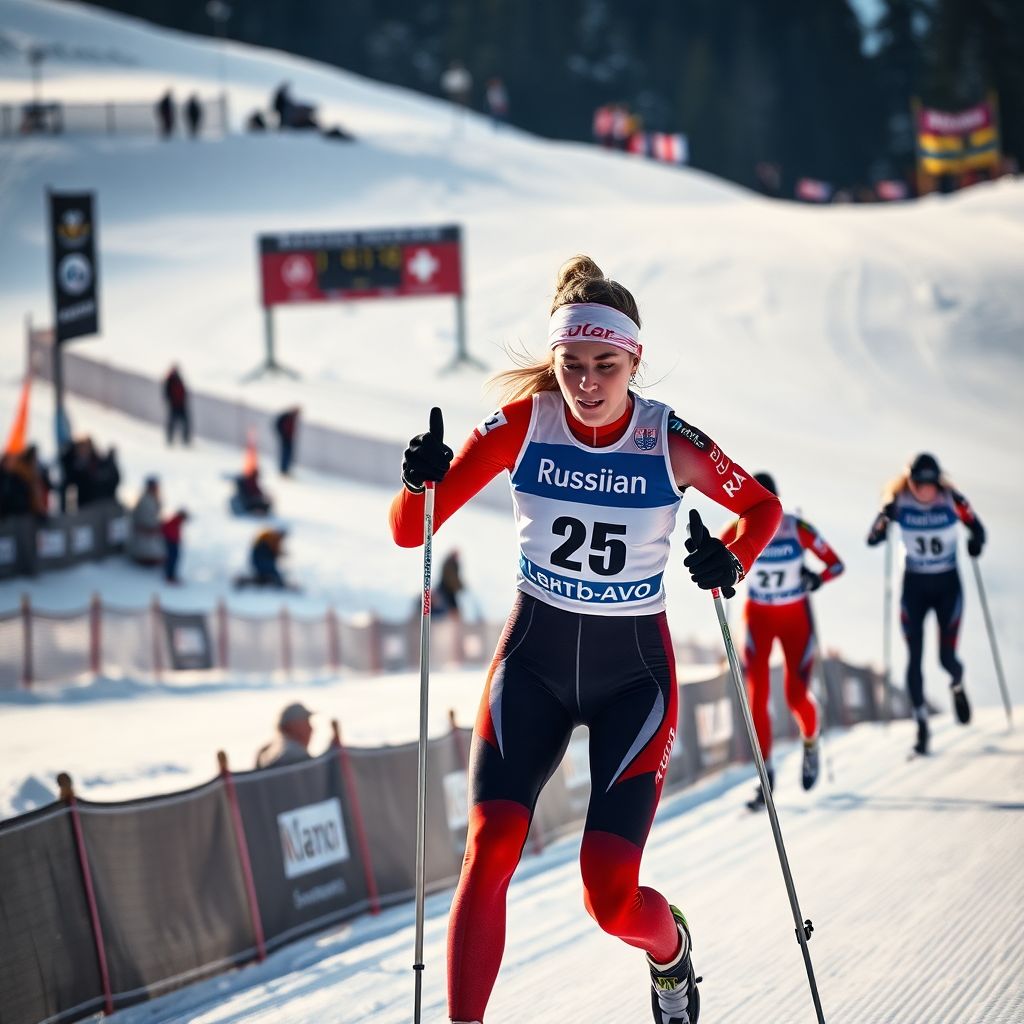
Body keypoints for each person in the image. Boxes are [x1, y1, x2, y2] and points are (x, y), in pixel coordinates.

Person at [389, 255, 782, 1024]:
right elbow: (415, 532)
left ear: (634, 360)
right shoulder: (520, 426)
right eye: (572, 365)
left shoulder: (667, 438)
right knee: (491, 842)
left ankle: (670, 954)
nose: (589, 382)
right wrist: (416, 481)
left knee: (607, 896)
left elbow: (760, 507)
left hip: (632, 676)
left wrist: (731, 555)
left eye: (607, 365)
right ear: (554, 361)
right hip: (533, 660)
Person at [720, 473, 844, 810]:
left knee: (795, 695)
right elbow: (714, 562)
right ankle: (766, 776)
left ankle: (810, 741)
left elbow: (836, 564)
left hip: (794, 621)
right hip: (759, 620)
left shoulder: (796, 528)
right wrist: (717, 572)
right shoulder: (739, 527)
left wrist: (816, 577)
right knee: (757, 698)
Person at [867, 452, 985, 755]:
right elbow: (873, 537)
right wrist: (881, 527)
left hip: (947, 586)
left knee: (947, 659)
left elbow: (978, 528)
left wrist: (975, 542)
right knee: (914, 658)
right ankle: (921, 726)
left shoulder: (952, 500)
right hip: (914, 588)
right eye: (919, 483)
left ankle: (957, 684)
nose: (925, 490)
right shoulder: (898, 502)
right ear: (910, 481)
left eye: (930, 484)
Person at [255, 702, 314, 768]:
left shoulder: (266, 750)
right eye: (306, 722)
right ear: (292, 726)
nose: (311, 728)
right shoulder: (296, 755)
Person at [128, 477, 164, 566]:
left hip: (149, 535)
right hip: (144, 538)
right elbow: (144, 521)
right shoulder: (146, 501)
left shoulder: (152, 499)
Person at [431, 550, 464, 619]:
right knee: (448, 606)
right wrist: (458, 586)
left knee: (450, 606)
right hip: (447, 588)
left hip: (448, 588)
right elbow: (450, 577)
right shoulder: (450, 563)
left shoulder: (452, 563)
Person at [163, 365, 190, 445]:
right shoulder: (170, 380)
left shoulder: (179, 379)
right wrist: (170, 401)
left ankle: (185, 440)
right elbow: (167, 392)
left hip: (181, 404)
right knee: (172, 422)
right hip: (174, 404)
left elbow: (183, 391)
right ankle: (169, 439)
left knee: (185, 422)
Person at [161, 508, 188, 583]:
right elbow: (166, 530)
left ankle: (172, 575)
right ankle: (170, 576)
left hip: (174, 542)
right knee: (172, 559)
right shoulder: (174, 521)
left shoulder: (176, 521)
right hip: (171, 543)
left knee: (174, 559)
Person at [274, 406, 300, 476]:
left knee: (289, 454)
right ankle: (283, 470)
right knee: (285, 454)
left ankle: (286, 469)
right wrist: (282, 434)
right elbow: (277, 425)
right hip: (285, 438)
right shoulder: (287, 416)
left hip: (289, 438)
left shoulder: (292, 417)